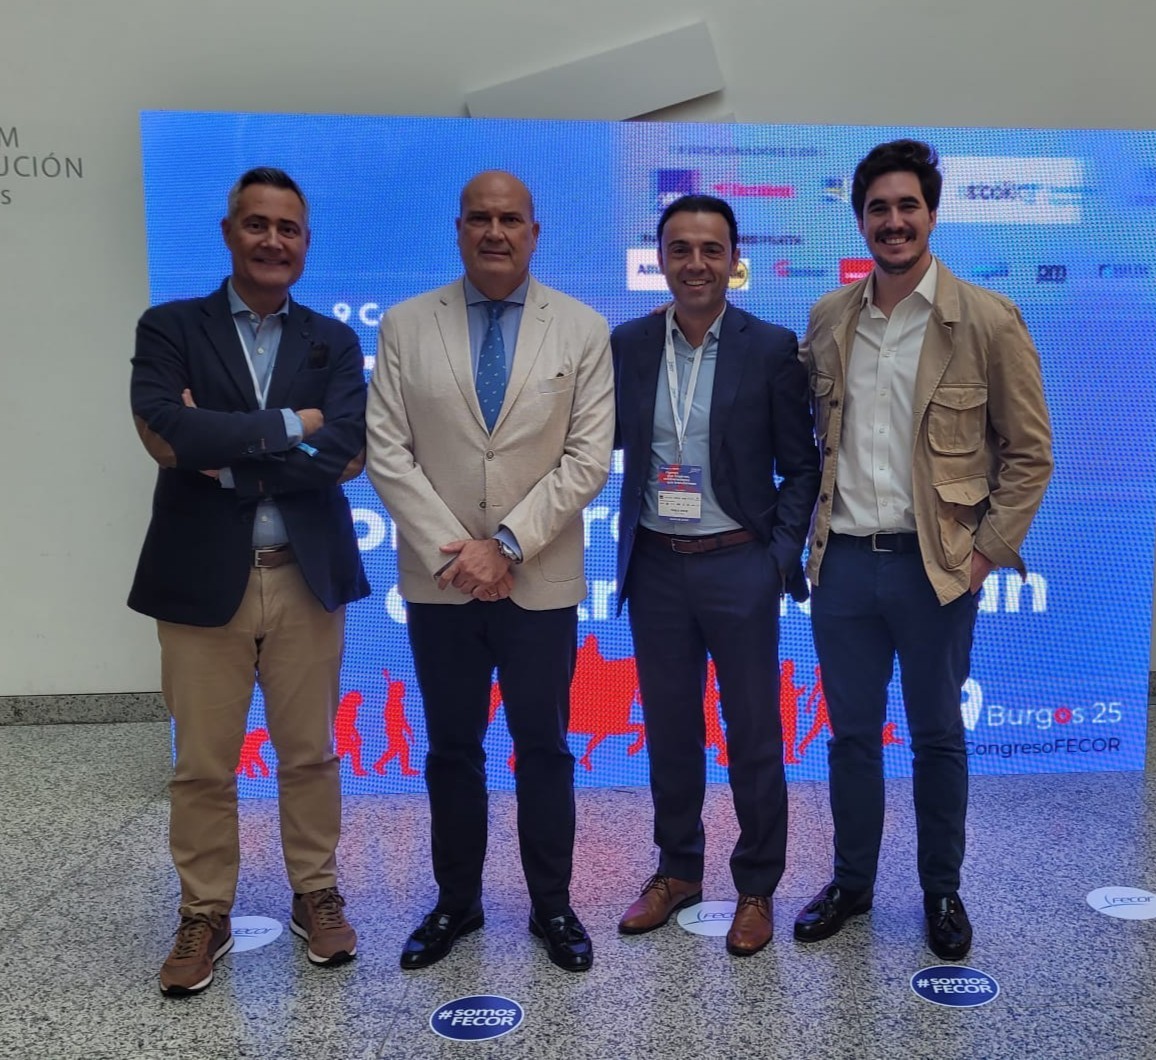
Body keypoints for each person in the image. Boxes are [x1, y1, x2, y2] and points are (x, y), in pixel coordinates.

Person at [796, 140, 1053, 960]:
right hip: (842, 566)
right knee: (850, 738)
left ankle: (942, 892)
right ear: (861, 221)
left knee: (938, 735)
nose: (894, 221)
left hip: (935, 570)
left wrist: (983, 556)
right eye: (879, 208)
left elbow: (1030, 454)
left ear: (932, 216)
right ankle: (852, 884)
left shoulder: (986, 319)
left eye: (908, 206)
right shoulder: (829, 320)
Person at [129, 166, 369, 996]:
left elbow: (346, 452)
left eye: (288, 228)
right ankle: (204, 912)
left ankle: (316, 892)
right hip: (201, 579)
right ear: (229, 232)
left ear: (306, 243)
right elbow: (167, 434)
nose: (273, 240)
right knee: (203, 764)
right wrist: (291, 426)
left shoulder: (333, 341)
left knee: (311, 753)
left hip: (306, 576)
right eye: (257, 224)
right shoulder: (170, 327)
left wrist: (224, 453)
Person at [366, 170, 614, 973]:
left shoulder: (582, 329)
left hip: (538, 580)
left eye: (511, 219)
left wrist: (504, 545)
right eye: (480, 218)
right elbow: (388, 453)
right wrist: (462, 552)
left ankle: (553, 905)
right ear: (459, 229)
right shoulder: (406, 325)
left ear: (535, 233)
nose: (495, 232)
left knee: (544, 747)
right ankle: (457, 903)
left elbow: (586, 460)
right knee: (451, 748)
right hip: (442, 583)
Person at [612, 194, 818, 956]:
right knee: (670, 729)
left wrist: (776, 558)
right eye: (680, 249)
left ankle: (756, 885)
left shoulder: (770, 347)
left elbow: (802, 467)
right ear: (660, 259)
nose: (695, 263)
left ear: (735, 260)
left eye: (710, 249)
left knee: (754, 733)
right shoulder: (630, 343)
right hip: (657, 565)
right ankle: (678, 870)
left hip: (738, 564)